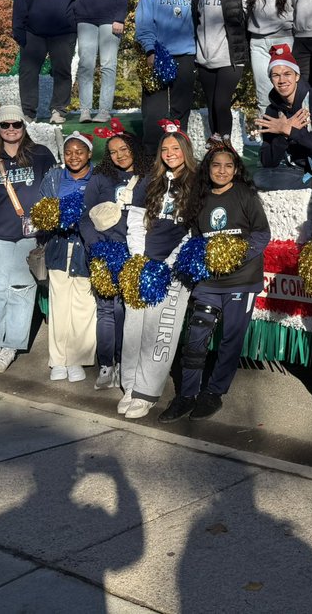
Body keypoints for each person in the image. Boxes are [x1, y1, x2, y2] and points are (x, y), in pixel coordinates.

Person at [159, 141, 270, 423]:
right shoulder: (200, 197)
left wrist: (234, 256)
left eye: (228, 166)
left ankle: (214, 393)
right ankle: (187, 394)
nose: (222, 170)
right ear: (207, 168)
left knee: (230, 341)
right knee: (195, 337)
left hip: (242, 281)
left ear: (236, 169)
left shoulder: (245, 195)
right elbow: (196, 238)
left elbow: (261, 234)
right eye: (216, 165)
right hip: (209, 282)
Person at [119, 124, 200, 419]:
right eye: (165, 149)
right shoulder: (150, 181)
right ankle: (130, 384)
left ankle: (146, 392)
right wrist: (139, 258)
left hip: (173, 268)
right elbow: (136, 221)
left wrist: (169, 263)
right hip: (145, 263)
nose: (170, 154)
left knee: (158, 330)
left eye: (175, 148)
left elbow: (195, 231)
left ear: (186, 151)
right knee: (134, 328)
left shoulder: (197, 182)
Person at [0, 105, 57, 372]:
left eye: (15, 125)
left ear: (23, 127)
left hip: (29, 236)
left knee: (21, 290)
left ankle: (11, 346)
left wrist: (50, 226)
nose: (10, 130)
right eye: (4, 125)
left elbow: (54, 189)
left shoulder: (40, 155)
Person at [80, 120, 147, 389]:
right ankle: (107, 365)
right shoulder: (100, 178)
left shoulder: (149, 177)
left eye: (124, 149)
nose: (119, 155)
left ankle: (124, 363)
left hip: (134, 253)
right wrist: (97, 246)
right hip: (104, 252)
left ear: (134, 148)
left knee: (126, 311)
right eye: (113, 151)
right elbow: (85, 217)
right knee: (106, 310)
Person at [37, 132, 97, 382]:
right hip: (59, 248)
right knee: (60, 306)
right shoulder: (53, 177)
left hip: (86, 251)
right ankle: (58, 360)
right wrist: (52, 217)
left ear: (89, 154)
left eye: (79, 152)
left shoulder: (99, 180)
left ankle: (76, 359)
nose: (73, 157)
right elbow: (42, 208)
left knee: (83, 307)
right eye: (69, 152)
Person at [254, 44, 312, 190]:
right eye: (276, 75)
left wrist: (289, 130)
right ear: (271, 79)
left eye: (287, 74)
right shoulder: (272, 111)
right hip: (302, 169)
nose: (282, 80)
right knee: (260, 178)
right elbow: (267, 161)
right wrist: (283, 136)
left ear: (297, 76)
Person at [12, 0, 77, 125]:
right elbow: (20, 6)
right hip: (34, 33)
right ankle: (29, 112)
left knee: (62, 70)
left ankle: (58, 109)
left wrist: (75, 27)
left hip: (63, 33)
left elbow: (79, 2)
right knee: (29, 72)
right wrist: (19, 32)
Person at [135, 0, 196, 157]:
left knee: (181, 111)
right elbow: (144, 24)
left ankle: (180, 155)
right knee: (154, 111)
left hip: (186, 55)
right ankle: (151, 157)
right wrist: (150, 50)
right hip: (158, 54)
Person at [191, 0, 248, 141]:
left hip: (230, 56)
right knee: (211, 103)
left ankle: (226, 142)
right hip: (205, 57)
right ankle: (215, 142)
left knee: (221, 102)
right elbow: (194, 22)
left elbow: (248, 16)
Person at [246, 0, 300, 114]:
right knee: (263, 95)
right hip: (258, 41)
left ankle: (289, 138)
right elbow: (247, 5)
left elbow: (298, 8)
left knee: (285, 92)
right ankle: (267, 142)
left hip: (283, 39)